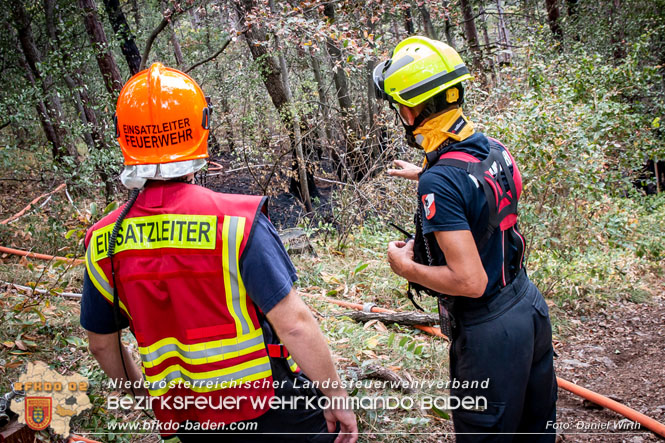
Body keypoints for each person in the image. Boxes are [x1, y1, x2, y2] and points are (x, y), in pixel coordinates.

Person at [80, 62, 358, 443]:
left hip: (191, 419)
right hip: (273, 408)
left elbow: (101, 343)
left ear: (124, 138)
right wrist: (335, 394)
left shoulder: (103, 241)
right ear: (200, 127)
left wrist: (144, 399)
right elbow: (294, 323)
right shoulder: (237, 222)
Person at [373, 37, 557, 441]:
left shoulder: (443, 179)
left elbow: (469, 281)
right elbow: (485, 193)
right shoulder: (494, 149)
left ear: (410, 109)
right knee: (534, 430)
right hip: (528, 308)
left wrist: (407, 267)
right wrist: (424, 174)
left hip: (489, 331)